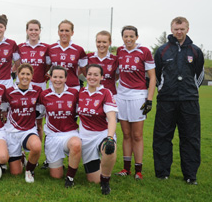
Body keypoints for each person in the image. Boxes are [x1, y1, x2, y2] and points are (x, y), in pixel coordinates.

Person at [153, 17, 204, 185]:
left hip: (189, 101)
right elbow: (157, 75)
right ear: (172, 29)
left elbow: (199, 75)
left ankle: (190, 175)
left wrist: (190, 91)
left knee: (190, 138)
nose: (179, 32)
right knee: (162, 136)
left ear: (187, 29)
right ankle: (162, 173)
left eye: (182, 29)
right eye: (176, 29)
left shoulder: (196, 51)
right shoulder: (162, 51)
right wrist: (163, 89)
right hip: (166, 100)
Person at [115, 26, 156, 180]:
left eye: (131, 36)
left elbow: (152, 77)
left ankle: (138, 170)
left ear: (136, 37)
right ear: (122, 37)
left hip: (138, 96)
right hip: (122, 96)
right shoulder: (120, 51)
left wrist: (149, 99)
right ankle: (126, 169)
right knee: (126, 134)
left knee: (137, 135)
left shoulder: (144, 51)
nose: (128, 39)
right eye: (125, 36)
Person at [78, 64, 118, 195]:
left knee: (109, 149)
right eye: (89, 74)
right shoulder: (80, 92)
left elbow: (112, 118)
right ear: (86, 76)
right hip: (86, 138)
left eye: (96, 75)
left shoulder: (106, 93)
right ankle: (101, 165)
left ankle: (106, 181)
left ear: (101, 77)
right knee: (93, 180)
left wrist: (110, 137)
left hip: (102, 133)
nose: (92, 77)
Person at [39, 66, 81, 187]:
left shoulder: (74, 93)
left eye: (61, 77)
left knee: (76, 144)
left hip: (69, 133)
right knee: (56, 176)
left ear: (66, 78)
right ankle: (56, 162)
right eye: (55, 77)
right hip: (52, 136)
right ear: (50, 78)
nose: (58, 80)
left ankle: (70, 178)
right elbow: (40, 114)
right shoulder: (44, 95)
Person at [3, 63, 42, 183]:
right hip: (11, 132)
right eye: (22, 73)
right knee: (15, 173)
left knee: (36, 146)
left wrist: (38, 129)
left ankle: (29, 171)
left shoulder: (37, 91)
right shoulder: (8, 91)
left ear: (32, 76)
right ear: (17, 74)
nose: (25, 77)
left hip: (28, 131)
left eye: (28, 74)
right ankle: (21, 157)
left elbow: (39, 113)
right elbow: (4, 112)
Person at [18, 19, 50, 141]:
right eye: (31, 29)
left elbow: (47, 66)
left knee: (38, 124)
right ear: (27, 31)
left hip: (39, 87)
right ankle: (21, 153)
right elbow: (17, 65)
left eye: (36, 29)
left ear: (40, 31)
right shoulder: (20, 47)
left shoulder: (46, 48)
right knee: (23, 119)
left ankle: (35, 157)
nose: (33, 32)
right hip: (23, 88)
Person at [47, 20, 88, 90]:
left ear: (72, 33)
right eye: (62, 30)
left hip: (73, 87)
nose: (64, 33)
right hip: (54, 87)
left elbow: (85, 72)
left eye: (67, 31)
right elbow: (45, 69)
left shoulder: (79, 50)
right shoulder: (50, 49)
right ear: (58, 32)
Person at [87, 31, 119, 95]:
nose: (101, 45)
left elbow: (117, 76)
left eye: (104, 42)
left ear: (110, 43)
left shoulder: (115, 59)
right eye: (99, 42)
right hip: (92, 94)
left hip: (111, 94)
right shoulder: (88, 57)